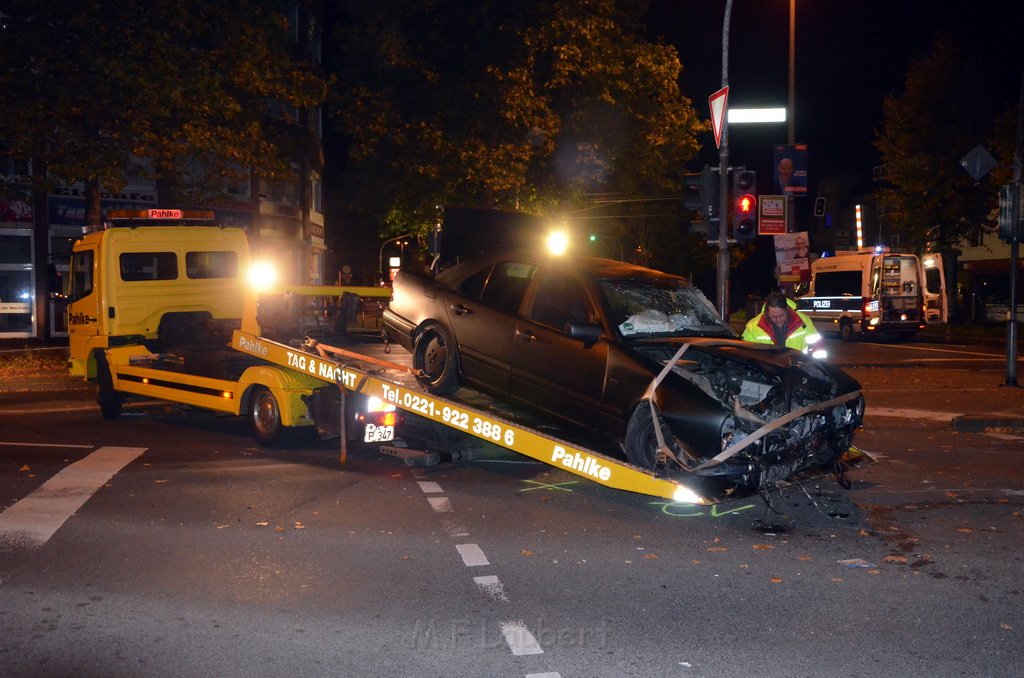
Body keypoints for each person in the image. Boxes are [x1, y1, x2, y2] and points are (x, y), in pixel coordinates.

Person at [742, 291, 825, 358]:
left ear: (787, 310)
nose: (778, 320)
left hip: (798, 369)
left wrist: (820, 367)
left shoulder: (803, 322)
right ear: (767, 313)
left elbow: (817, 347)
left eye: (781, 315)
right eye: (774, 317)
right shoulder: (753, 327)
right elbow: (746, 353)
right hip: (767, 371)